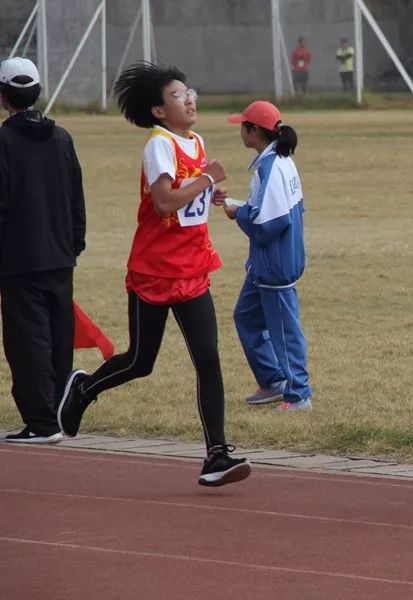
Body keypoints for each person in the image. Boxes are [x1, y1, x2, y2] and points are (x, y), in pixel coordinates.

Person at [57, 61, 251, 487]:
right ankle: (84, 389)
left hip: (193, 267)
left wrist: (208, 192)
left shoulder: (195, 139)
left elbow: (186, 198)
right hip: (155, 270)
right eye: (178, 95)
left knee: (209, 360)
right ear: (160, 111)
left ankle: (216, 454)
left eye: (189, 91)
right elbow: (164, 203)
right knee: (141, 362)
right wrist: (205, 179)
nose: (190, 98)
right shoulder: (159, 144)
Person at [0, 58, 85, 444]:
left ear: (4, 96)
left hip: (18, 258)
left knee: (27, 339)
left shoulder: (3, 140)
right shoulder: (62, 137)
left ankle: (41, 421)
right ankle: (57, 411)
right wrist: (74, 243)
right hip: (60, 253)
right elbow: (75, 197)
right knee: (57, 333)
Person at [224, 101, 312, 411]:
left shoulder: (270, 166)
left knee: (285, 332)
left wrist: (238, 213)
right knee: (246, 316)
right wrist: (240, 205)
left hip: (275, 263)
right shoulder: (278, 160)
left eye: (243, 125)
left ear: (254, 131)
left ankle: (298, 394)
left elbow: (270, 223)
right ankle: (273, 380)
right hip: (266, 262)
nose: (240, 131)